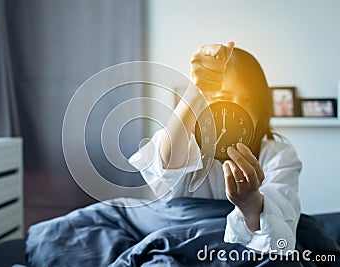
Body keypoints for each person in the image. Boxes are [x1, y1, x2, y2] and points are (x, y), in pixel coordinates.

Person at [128, 41, 302, 253]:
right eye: (224, 98)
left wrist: (250, 203)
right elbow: (167, 161)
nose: (240, 110)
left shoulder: (277, 154)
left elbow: (278, 234)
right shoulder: (186, 141)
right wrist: (196, 90)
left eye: (250, 100)